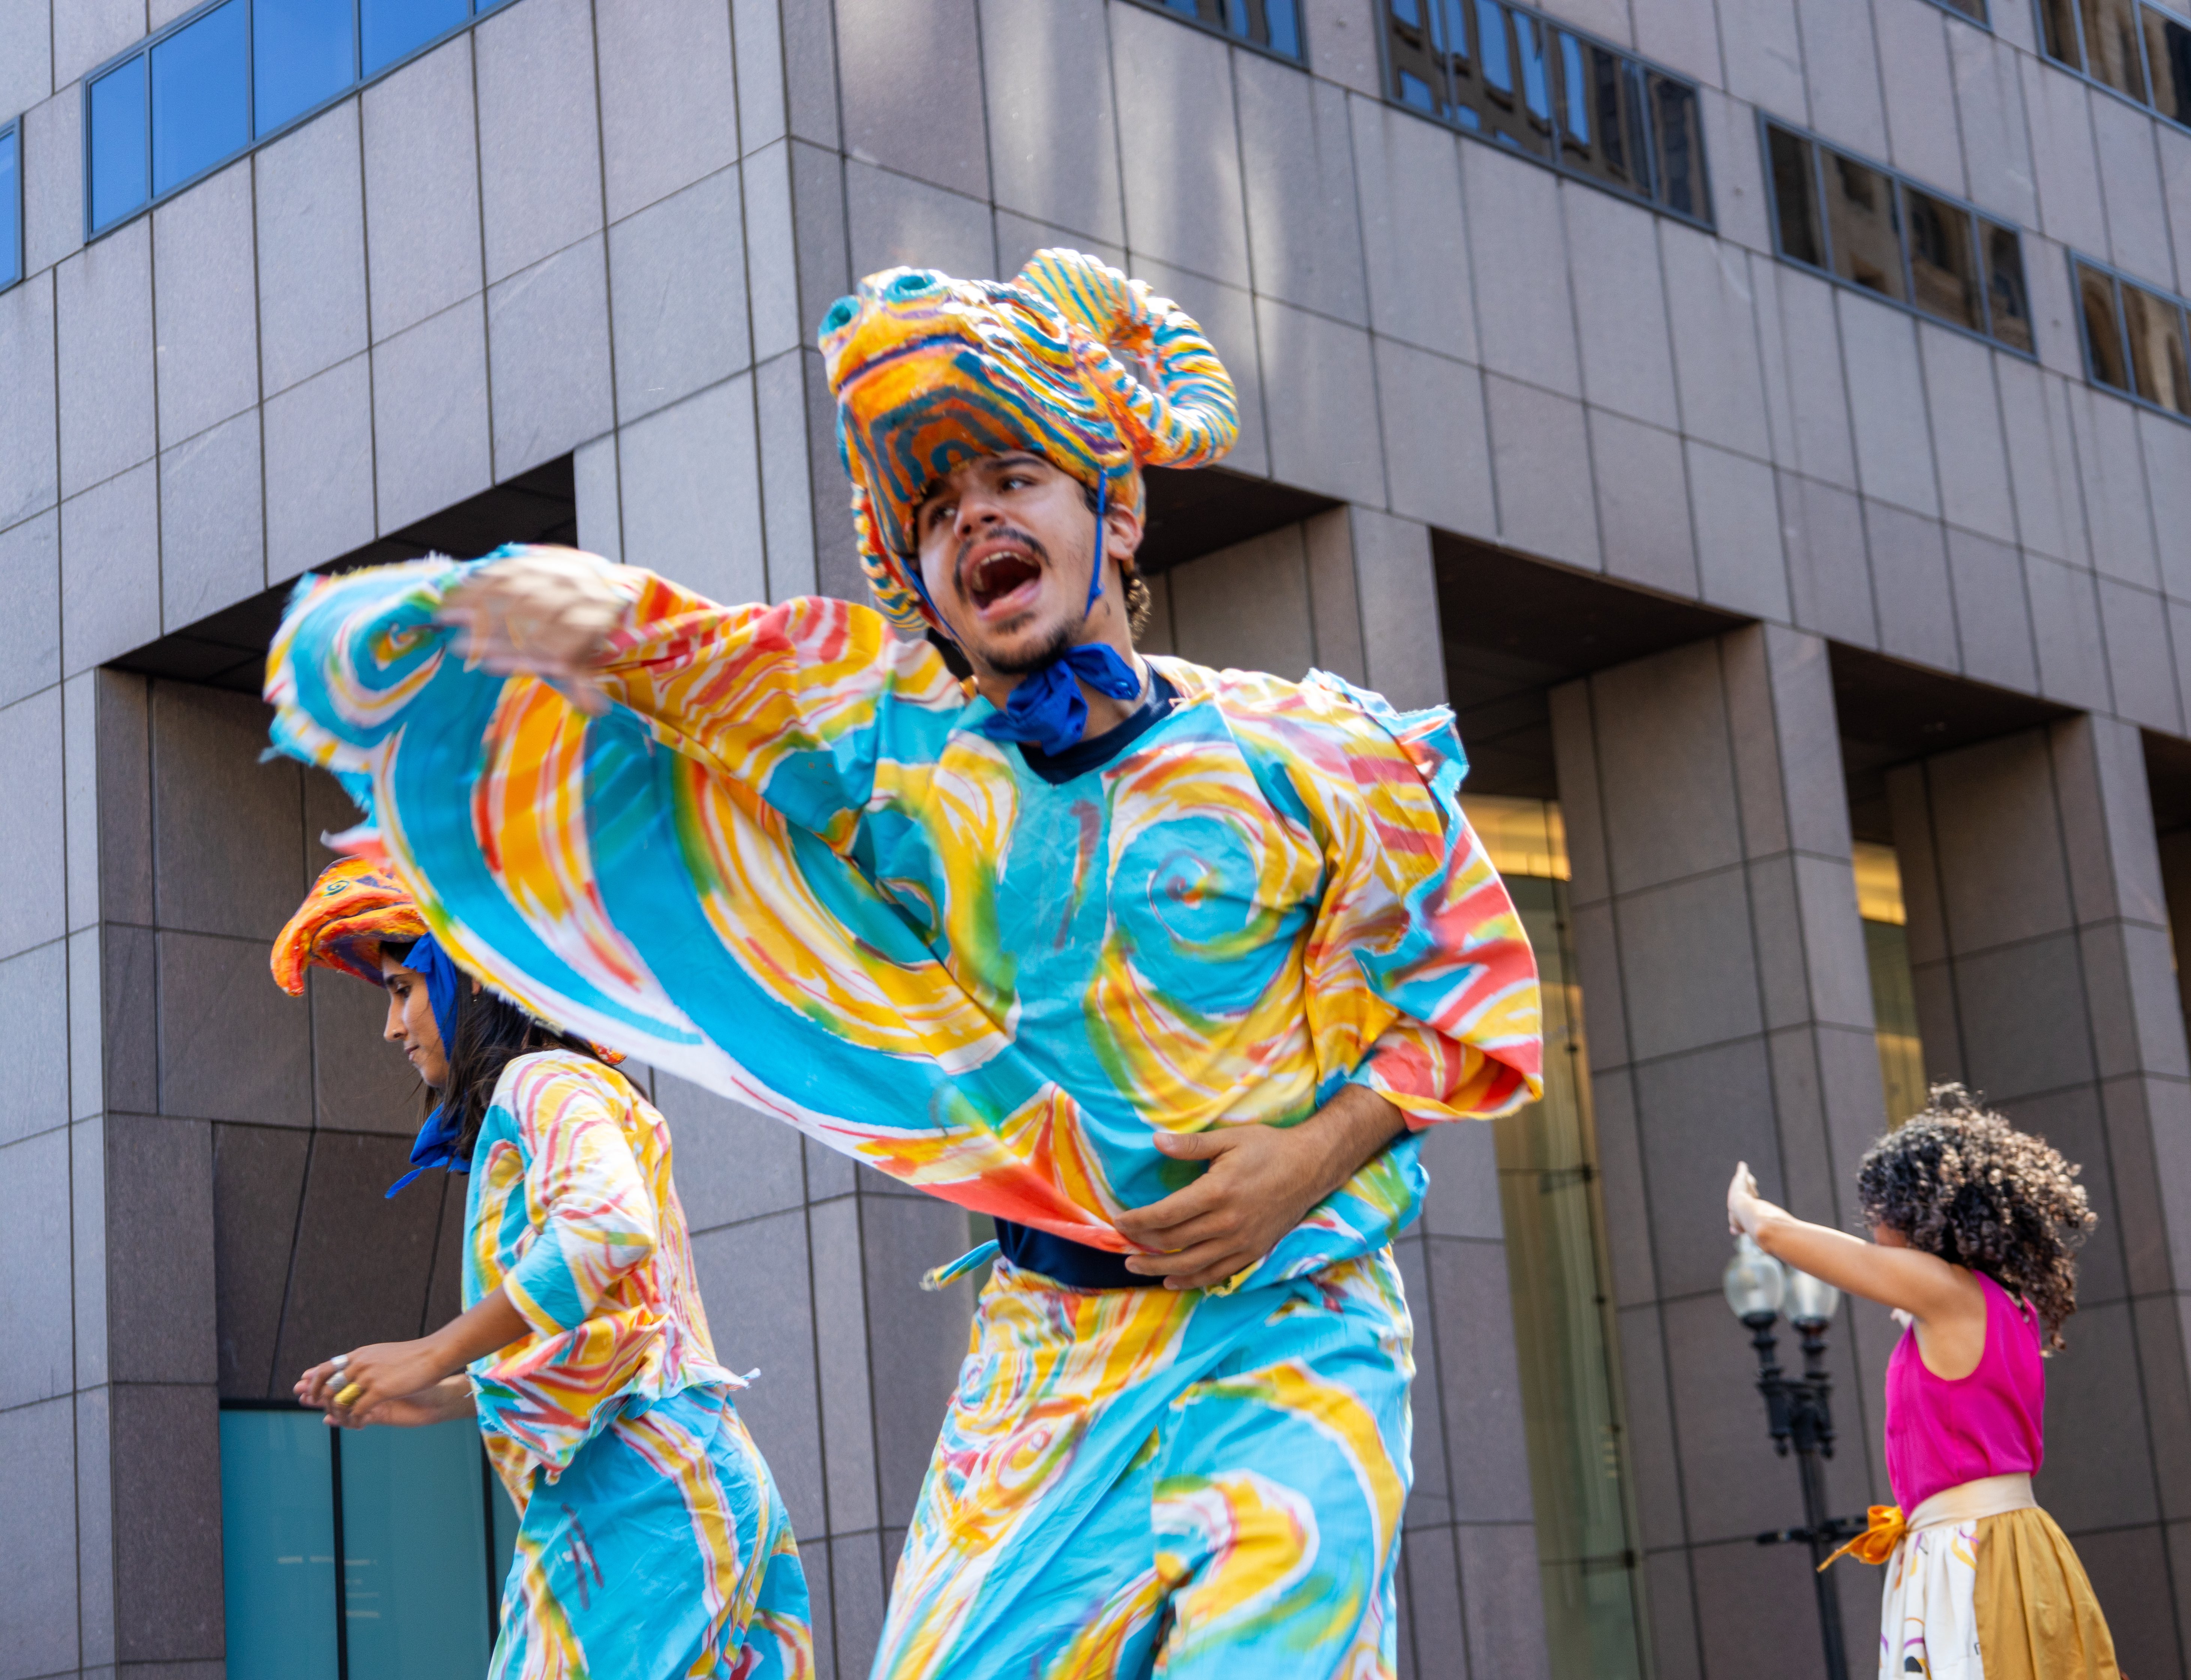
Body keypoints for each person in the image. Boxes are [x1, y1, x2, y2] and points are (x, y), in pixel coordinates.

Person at [260, 250, 1541, 1678]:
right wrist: (510, 613)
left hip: (1299, 1328)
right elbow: (702, 658)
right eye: (934, 509)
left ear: (1114, 514)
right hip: (1046, 1355)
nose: (975, 515)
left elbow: (1470, 989)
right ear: (920, 578)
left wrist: (1315, 1157)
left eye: (1012, 475)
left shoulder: (1316, 748)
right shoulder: (901, 754)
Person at [270, 857, 815, 1679]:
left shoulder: (541, 1080)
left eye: (400, 989)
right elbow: (613, 1324)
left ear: (469, 975)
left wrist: (431, 1352)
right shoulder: (568, 1088)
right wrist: (451, 1394)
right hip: (678, 1489)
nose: (392, 1027)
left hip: (640, 1502)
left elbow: (607, 1225)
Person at [1725, 1084, 2120, 1680]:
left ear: (1914, 1211)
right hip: (1992, 1546)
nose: (1872, 1228)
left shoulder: (1946, 1296)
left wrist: (1746, 1207)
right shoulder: (1996, 1303)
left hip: (1973, 1552)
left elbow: (1781, 1238)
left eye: (1877, 1212)